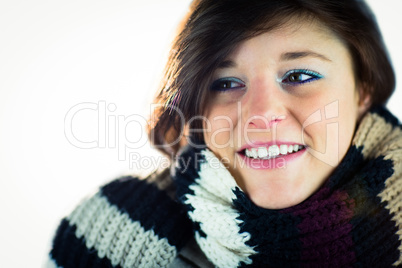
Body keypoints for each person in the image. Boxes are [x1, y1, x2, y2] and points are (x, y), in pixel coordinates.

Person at [48, 0, 402, 267]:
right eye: (226, 83)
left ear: (363, 88)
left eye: (298, 76)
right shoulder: (106, 238)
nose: (261, 115)